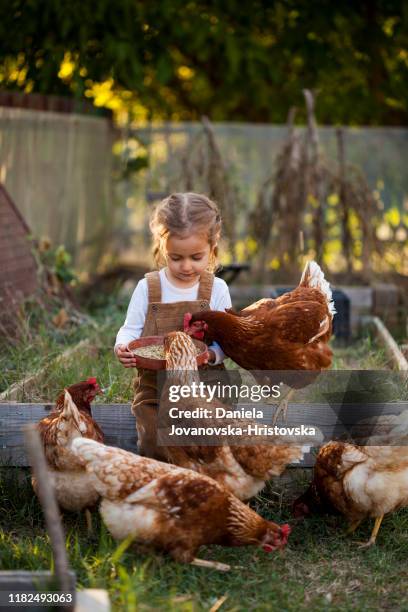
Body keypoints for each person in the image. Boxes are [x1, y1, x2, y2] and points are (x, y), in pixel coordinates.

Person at [115, 192, 232, 459]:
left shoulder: (217, 289)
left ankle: (205, 483)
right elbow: (131, 329)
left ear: (213, 248)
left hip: (206, 380)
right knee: (153, 435)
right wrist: (121, 346)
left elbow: (226, 341)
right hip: (156, 382)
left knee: (211, 434)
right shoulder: (148, 287)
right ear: (162, 246)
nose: (186, 266)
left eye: (196, 257)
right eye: (176, 257)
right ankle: (161, 482)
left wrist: (213, 354)